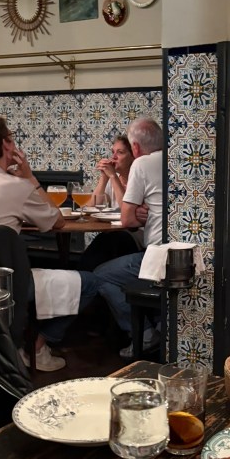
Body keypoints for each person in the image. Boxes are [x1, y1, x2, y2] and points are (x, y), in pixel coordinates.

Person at [0, 113, 99, 372]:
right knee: (91, 282)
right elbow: (57, 222)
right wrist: (29, 176)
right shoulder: (17, 187)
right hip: (8, 288)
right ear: (7, 144)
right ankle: (39, 346)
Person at [94, 117, 163, 358]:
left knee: (99, 275)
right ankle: (158, 325)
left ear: (135, 149)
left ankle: (144, 333)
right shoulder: (175, 159)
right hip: (179, 254)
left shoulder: (142, 164)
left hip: (155, 256)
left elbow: (128, 222)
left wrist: (138, 215)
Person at [78, 134, 143, 271]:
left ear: (133, 157)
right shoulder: (113, 180)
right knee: (95, 252)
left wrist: (113, 177)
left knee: (109, 243)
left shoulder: (139, 180)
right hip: (112, 234)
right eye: (113, 152)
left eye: (120, 152)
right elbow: (89, 208)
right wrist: (104, 178)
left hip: (134, 237)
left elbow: (128, 212)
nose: (114, 157)